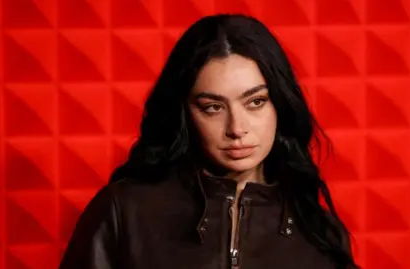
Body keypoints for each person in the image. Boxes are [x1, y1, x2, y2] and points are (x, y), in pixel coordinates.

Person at [59, 14, 359, 269]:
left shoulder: (321, 234)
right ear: (185, 113)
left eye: (255, 102)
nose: (236, 128)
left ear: (279, 104)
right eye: (213, 107)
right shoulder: (123, 211)